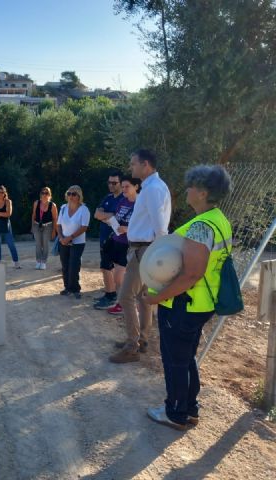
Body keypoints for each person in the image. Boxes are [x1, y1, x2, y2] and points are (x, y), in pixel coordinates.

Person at [143, 165, 233, 430]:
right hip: (202, 302)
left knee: (175, 361)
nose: (187, 191)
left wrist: (156, 298)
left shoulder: (200, 227)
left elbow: (191, 274)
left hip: (184, 303)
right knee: (186, 357)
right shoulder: (219, 219)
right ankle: (190, 409)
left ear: (203, 193)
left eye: (191, 187)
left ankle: (175, 413)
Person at [110, 149, 171, 364]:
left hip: (145, 249)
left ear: (146, 164)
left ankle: (132, 346)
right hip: (145, 248)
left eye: (133, 163)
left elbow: (160, 226)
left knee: (126, 296)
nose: (130, 167)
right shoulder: (154, 187)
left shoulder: (153, 189)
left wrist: (157, 253)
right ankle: (141, 340)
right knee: (143, 297)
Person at [96, 175, 142, 313]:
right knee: (106, 267)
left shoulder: (141, 204)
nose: (124, 189)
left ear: (136, 187)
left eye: (127, 186)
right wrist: (110, 221)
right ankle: (118, 300)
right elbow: (116, 217)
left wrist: (127, 229)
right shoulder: (122, 201)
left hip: (128, 244)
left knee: (119, 276)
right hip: (115, 239)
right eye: (122, 187)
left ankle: (125, 303)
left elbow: (144, 225)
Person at [93, 170, 123, 309]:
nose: (111, 185)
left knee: (115, 269)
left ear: (121, 183)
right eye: (109, 182)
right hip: (105, 238)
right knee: (105, 267)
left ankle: (115, 297)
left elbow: (118, 218)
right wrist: (109, 215)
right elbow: (96, 214)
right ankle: (109, 294)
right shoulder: (108, 197)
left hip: (118, 240)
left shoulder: (124, 199)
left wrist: (106, 216)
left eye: (114, 183)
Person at [56, 185, 90, 299]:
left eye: (74, 194)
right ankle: (67, 288)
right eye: (69, 193)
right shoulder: (63, 208)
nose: (71, 196)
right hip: (63, 241)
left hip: (77, 242)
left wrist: (70, 237)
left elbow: (84, 227)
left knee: (74, 265)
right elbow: (59, 224)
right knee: (65, 265)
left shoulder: (84, 209)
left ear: (79, 196)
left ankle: (75, 288)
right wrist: (61, 237)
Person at [0, 185, 20, 268]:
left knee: (10, 243)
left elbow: (9, 214)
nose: (0, 194)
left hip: (5, 224)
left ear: (5, 193)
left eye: (2, 192)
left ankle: (16, 262)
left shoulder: (8, 202)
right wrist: (2, 215)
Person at [31, 187, 58, 270]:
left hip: (48, 226)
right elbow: (34, 215)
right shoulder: (36, 203)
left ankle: (43, 261)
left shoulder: (52, 205)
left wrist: (54, 231)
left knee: (45, 244)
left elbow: (55, 219)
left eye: (46, 193)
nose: (44, 195)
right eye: (43, 193)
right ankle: (38, 261)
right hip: (36, 225)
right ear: (40, 194)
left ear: (49, 195)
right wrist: (32, 226)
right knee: (38, 244)